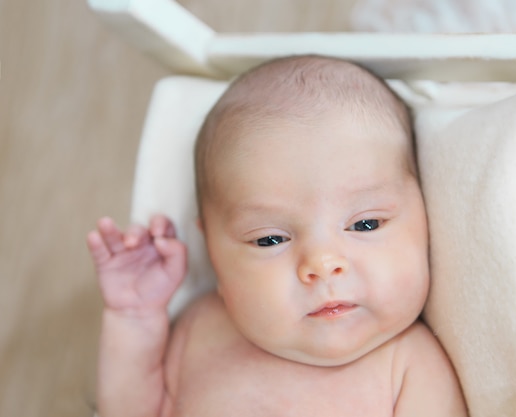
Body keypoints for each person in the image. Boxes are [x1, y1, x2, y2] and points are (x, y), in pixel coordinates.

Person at [87, 55, 467, 417]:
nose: (322, 264)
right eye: (270, 239)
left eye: (365, 224)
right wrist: (134, 317)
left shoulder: (408, 365)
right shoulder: (203, 329)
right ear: (213, 251)